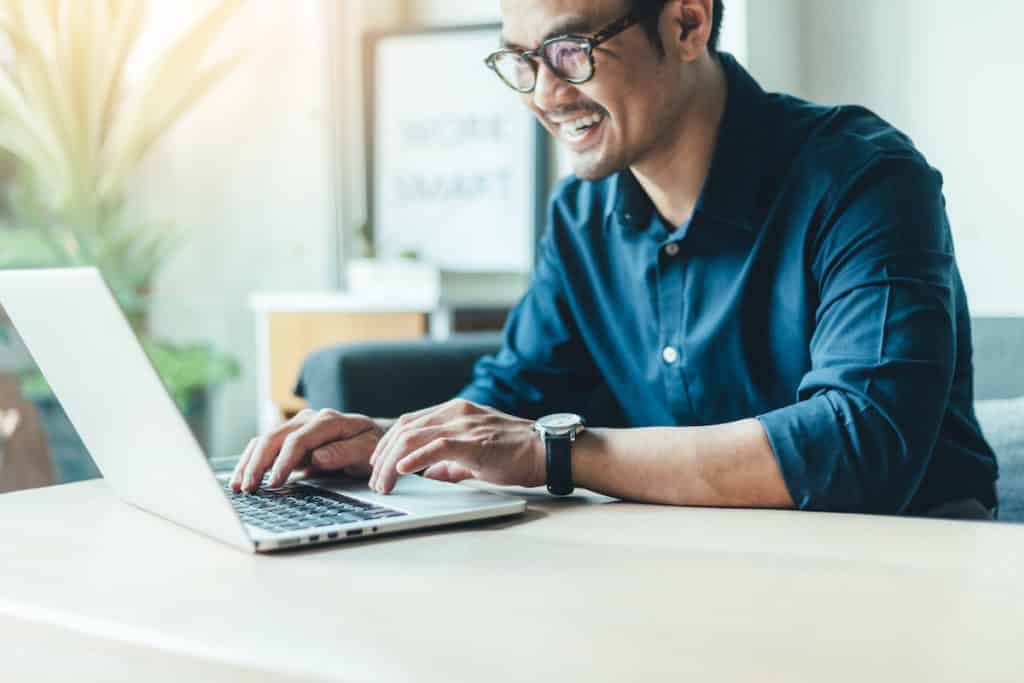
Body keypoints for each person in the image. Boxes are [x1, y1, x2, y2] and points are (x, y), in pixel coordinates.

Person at [232, 0, 998, 518]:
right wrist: (389, 438)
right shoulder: (581, 218)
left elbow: (860, 445)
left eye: (569, 51)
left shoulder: (863, 178)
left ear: (688, 23)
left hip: (895, 575)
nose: (545, 94)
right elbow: (511, 396)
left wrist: (556, 454)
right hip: (682, 575)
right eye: (520, 61)